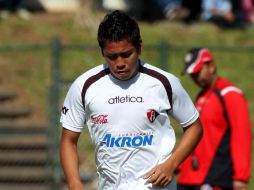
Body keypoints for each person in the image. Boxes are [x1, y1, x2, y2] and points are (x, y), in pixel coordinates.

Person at [59, 10, 203, 190]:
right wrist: (74, 183)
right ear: (102, 52)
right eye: (111, 57)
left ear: (139, 47)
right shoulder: (84, 86)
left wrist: (172, 164)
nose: (119, 63)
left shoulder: (164, 82)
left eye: (127, 54)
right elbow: (68, 140)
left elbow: (194, 127)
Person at [177, 47, 252, 190]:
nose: (195, 78)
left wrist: (241, 177)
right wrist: (177, 164)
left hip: (215, 178)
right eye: (192, 74)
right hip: (189, 178)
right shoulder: (202, 96)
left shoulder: (230, 94)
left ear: (211, 66)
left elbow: (241, 136)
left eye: (198, 72)